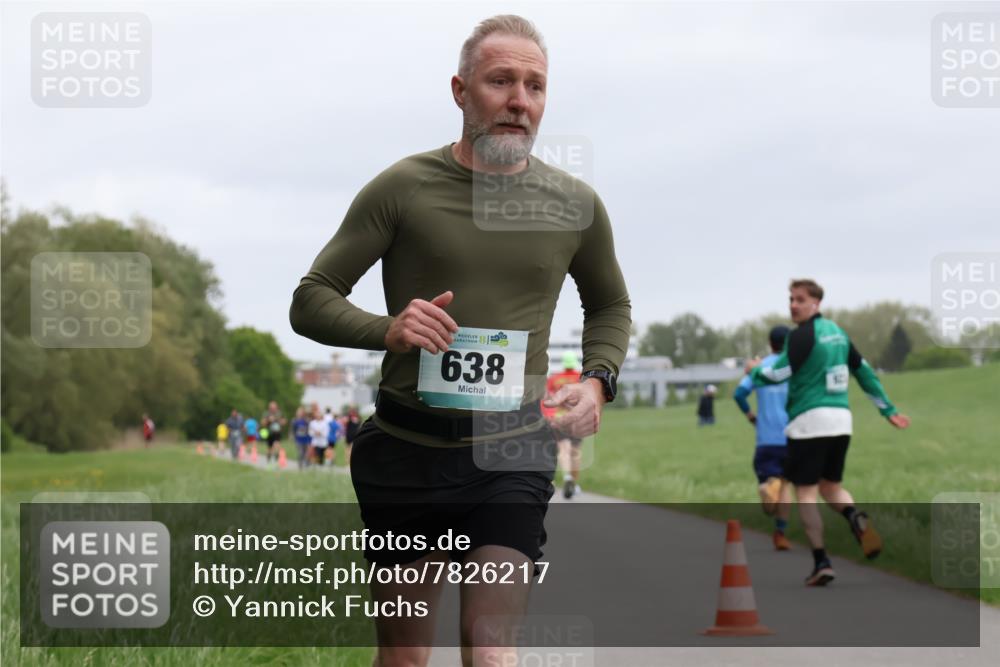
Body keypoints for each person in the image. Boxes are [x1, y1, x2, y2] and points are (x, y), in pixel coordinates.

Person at [289, 15, 630, 666]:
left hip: (512, 452)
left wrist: (598, 377)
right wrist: (388, 329)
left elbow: (609, 302)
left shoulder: (573, 204)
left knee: (490, 644)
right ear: (460, 90)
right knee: (406, 655)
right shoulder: (403, 188)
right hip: (406, 452)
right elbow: (311, 298)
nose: (518, 100)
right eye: (501, 80)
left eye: (534, 86)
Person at [746, 279, 910, 586]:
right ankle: (854, 517)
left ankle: (821, 561)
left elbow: (775, 374)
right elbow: (863, 372)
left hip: (808, 422)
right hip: (840, 422)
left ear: (816, 303)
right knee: (831, 486)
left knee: (805, 492)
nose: (793, 304)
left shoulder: (800, 337)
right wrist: (887, 410)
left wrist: (753, 369)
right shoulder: (838, 334)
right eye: (791, 299)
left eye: (800, 299)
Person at [734, 325, 794, 550]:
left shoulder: (761, 368)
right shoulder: (793, 367)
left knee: (770, 486)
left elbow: (739, 394)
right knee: (785, 487)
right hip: (791, 436)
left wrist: (751, 415)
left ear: (770, 343)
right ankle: (780, 533)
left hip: (766, 438)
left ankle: (769, 486)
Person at [541, 351, 584, 499]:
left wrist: (548, 415)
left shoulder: (554, 379)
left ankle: (567, 476)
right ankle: (574, 481)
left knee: (563, 448)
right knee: (576, 451)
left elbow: (546, 398)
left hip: (560, 418)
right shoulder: (581, 378)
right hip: (577, 418)